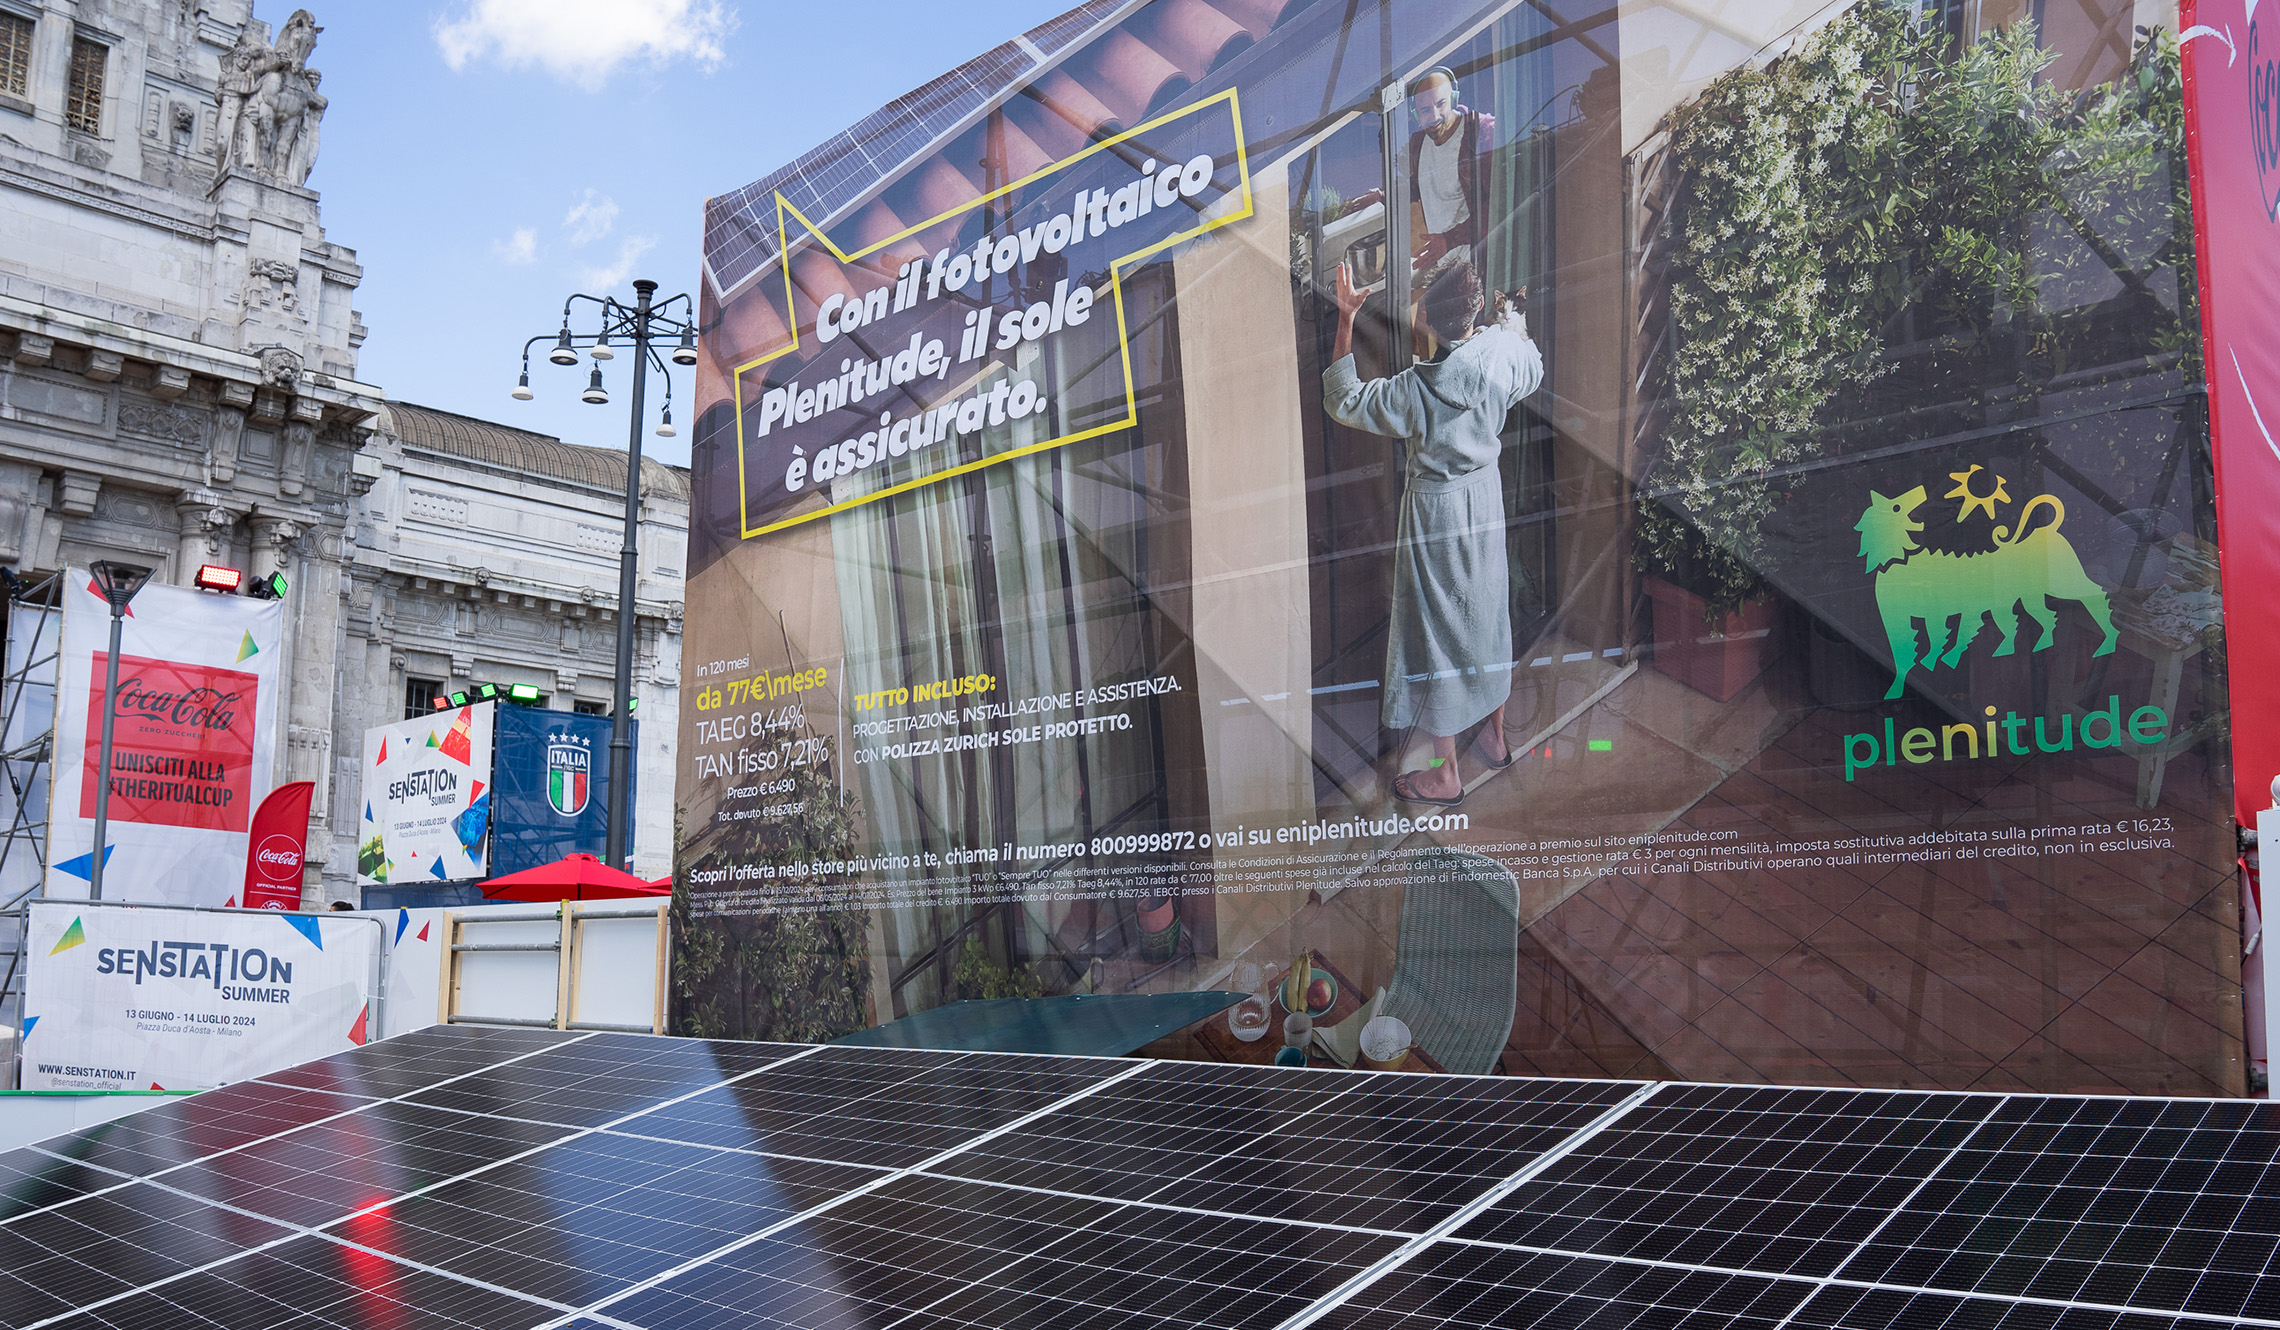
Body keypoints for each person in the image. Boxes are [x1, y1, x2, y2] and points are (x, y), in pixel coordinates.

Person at [1323, 258, 1541, 805]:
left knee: (1439, 634)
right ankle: (1493, 735)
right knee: (1487, 614)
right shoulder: (1501, 355)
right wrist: (1506, 328)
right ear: (1473, 314)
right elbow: (1530, 363)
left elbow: (1343, 399)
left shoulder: (1417, 389)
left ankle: (1444, 775)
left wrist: (1347, 317)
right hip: (1484, 500)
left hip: (1436, 514)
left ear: (1427, 321)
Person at [1350, 67, 1495, 279]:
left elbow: (1500, 206)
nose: (1434, 117)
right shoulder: (1420, 142)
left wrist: (1449, 240)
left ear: (1453, 98)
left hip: (1479, 269)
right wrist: (1382, 196)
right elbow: (1420, 185)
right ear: (1416, 113)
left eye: (1440, 104)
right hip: (1443, 267)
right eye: (1425, 110)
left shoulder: (1481, 133)